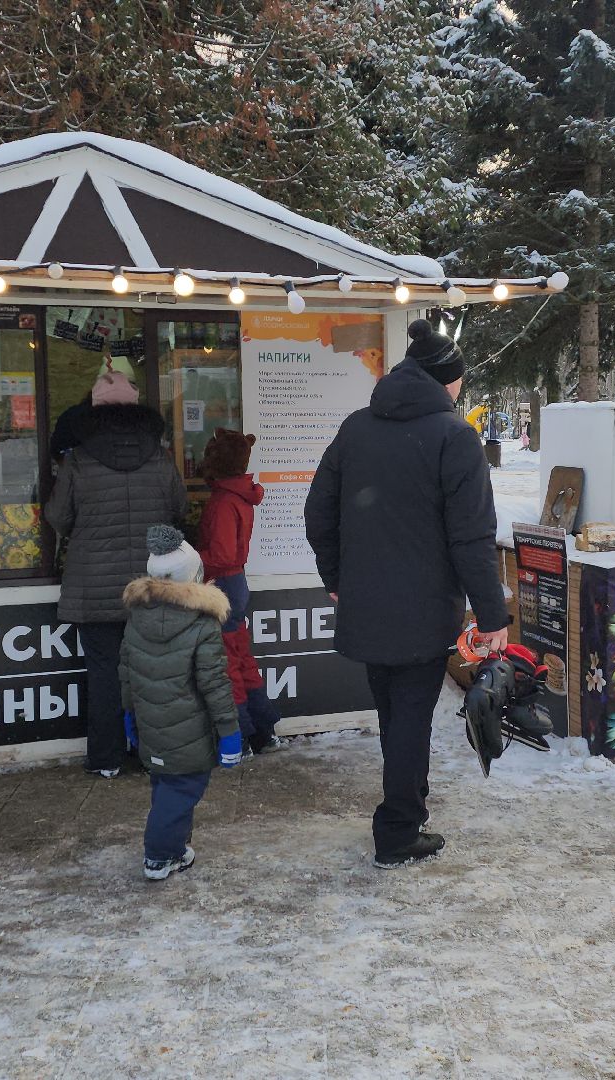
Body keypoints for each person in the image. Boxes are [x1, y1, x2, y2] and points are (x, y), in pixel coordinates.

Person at [306, 319, 508, 869]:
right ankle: (397, 832)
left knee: (395, 715)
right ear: (448, 381)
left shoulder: (356, 427)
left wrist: (336, 579)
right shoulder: (454, 436)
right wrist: (493, 615)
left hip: (367, 605)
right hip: (423, 610)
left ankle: (408, 806)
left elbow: (318, 512)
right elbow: (471, 536)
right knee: (410, 719)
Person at [44, 370, 188, 778]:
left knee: (104, 673)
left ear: (93, 411)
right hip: (150, 586)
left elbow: (58, 516)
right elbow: (179, 509)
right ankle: (154, 754)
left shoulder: (78, 460)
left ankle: (106, 759)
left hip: (95, 587)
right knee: (151, 673)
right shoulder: (160, 458)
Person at [120, 525, 242, 880]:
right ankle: (158, 856)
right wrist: (230, 732)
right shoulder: (202, 625)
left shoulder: (137, 618)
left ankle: (174, 848)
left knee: (165, 784)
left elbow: (126, 671)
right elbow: (215, 684)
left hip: (151, 723)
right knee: (182, 788)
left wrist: (129, 714)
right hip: (190, 729)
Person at [198, 428, 280, 754]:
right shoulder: (241, 495)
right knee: (242, 660)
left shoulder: (222, 501)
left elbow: (220, 555)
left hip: (222, 586)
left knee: (227, 664)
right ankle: (264, 731)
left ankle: (240, 734)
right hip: (236, 583)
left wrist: (189, 557)